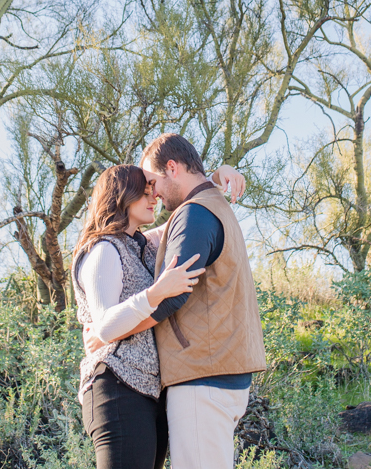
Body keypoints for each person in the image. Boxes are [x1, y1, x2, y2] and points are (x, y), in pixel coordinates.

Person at [88, 134, 265, 469]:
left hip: (203, 376)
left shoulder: (195, 214)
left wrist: (110, 333)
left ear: (172, 167)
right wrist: (214, 176)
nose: (153, 192)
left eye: (152, 182)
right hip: (213, 372)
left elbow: (174, 296)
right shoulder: (207, 207)